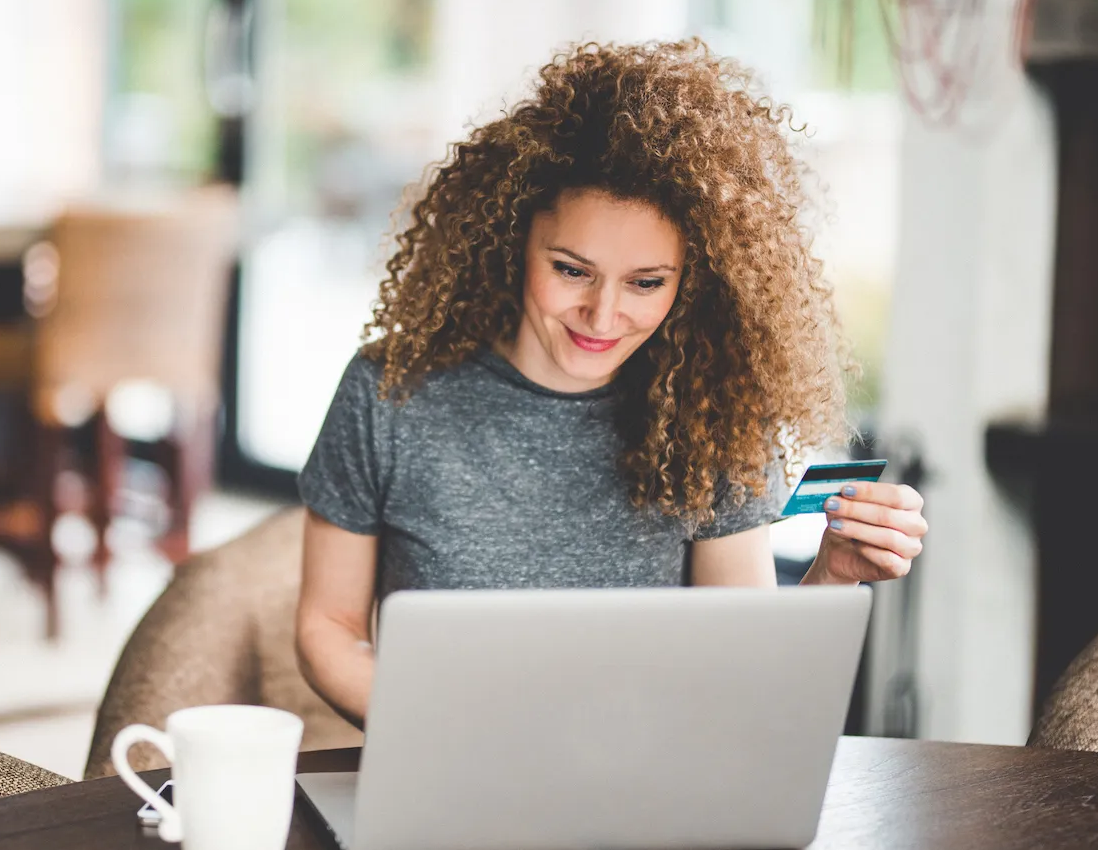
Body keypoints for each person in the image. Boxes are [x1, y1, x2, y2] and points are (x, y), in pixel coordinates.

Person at [294, 40, 928, 729]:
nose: (602, 315)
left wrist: (835, 572)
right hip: (438, 775)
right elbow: (328, 624)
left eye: (646, 283)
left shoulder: (714, 412)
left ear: (691, 281)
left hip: (649, 795)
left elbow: (742, 673)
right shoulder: (390, 393)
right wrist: (439, 731)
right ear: (513, 243)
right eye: (571, 269)